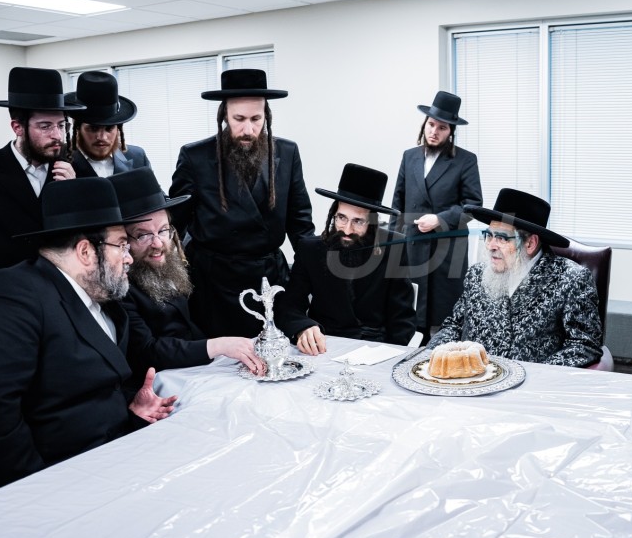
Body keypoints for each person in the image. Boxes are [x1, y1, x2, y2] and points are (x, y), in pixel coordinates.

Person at [0, 178, 177, 494]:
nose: (129, 256)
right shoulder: (9, 298)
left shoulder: (103, 301)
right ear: (85, 251)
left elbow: (77, 394)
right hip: (40, 487)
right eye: (121, 244)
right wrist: (45, 494)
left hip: (107, 464)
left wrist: (130, 410)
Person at [169, 69, 313, 338]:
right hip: (213, 285)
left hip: (269, 280)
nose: (248, 130)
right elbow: (174, 226)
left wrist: (312, 278)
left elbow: (300, 224)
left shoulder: (287, 153)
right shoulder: (194, 156)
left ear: (266, 116)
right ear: (224, 115)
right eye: (239, 119)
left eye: (256, 119)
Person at [109, 168, 266, 385]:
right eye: (143, 235)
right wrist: (217, 346)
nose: (157, 243)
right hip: (157, 384)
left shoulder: (172, 266)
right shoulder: (117, 287)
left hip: (195, 370)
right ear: (121, 240)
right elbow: (146, 351)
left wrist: (231, 347)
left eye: (163, 230)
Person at [429, 189, 603, 367]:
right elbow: (454, 325)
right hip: (471, 377)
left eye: (502, 238)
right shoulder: (477, 274)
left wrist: (535, 373)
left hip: (530, 382)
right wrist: (429, 358)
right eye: (489, 235)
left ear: (530, 243)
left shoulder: (570, 279)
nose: (491, 246)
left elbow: (585, 345)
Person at [0, 66, 85, 277]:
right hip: (3, 286)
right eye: (45, 126)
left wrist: (73, 193)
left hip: (60, 285)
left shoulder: (73, 168)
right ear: (17, 127)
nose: (57, 135)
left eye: (61, 125)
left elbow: (86, 236)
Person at [276, 163, 415, 354]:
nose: (347, 230)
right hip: (323, 345)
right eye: (341, 218)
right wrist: (302, 327)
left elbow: (403, 319)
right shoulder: (310, 249)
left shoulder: (393, 247)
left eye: (358, 221)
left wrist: (387, 354)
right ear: (333, 214)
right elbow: (289, 306)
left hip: (375, 348)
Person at [392, 91, 482, 343]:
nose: (434, 131)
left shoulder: (466, 160)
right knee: (410, 313)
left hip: (447, 250)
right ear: (425, 124)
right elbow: (398, 202)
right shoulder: (409, 156)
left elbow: (473, 205)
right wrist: (393, 243)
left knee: (444, 320)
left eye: (442, 128)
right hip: (412, 246)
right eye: (431, 124)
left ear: (451, 131)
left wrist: (439, 219)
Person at [66, 70, 151, 178]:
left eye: (109, 128)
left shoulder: (138, 156)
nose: (102, 137)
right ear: (78, 127)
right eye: (93, 128)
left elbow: (153, 190)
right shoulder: (60, 161)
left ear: (118, 128)